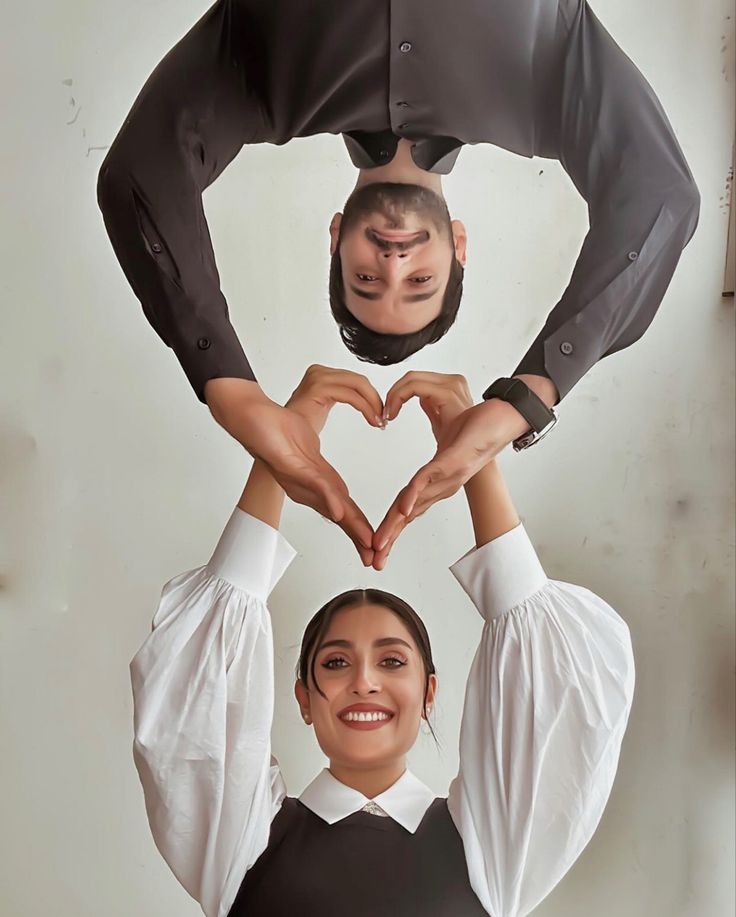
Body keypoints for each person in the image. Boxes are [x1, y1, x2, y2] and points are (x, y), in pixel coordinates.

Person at [96, 0, 700, 565]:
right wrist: (530, 396)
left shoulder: (261, 84)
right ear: (459, 247)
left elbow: (138, 176)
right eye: (419, 282)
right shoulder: (548, 88)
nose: (392, 264)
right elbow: (660, 196)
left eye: (364, 278)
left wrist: (233, 393)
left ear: (335, 238)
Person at [129, 366, 636, 916]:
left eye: (392, 661)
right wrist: (278, 448)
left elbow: (555, 689)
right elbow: (193, 698)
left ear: (429, 693)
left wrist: (477, 454)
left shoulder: (491, 848)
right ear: (302, 697)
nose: (364, 681)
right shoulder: (240, 843)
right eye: (336, 662)